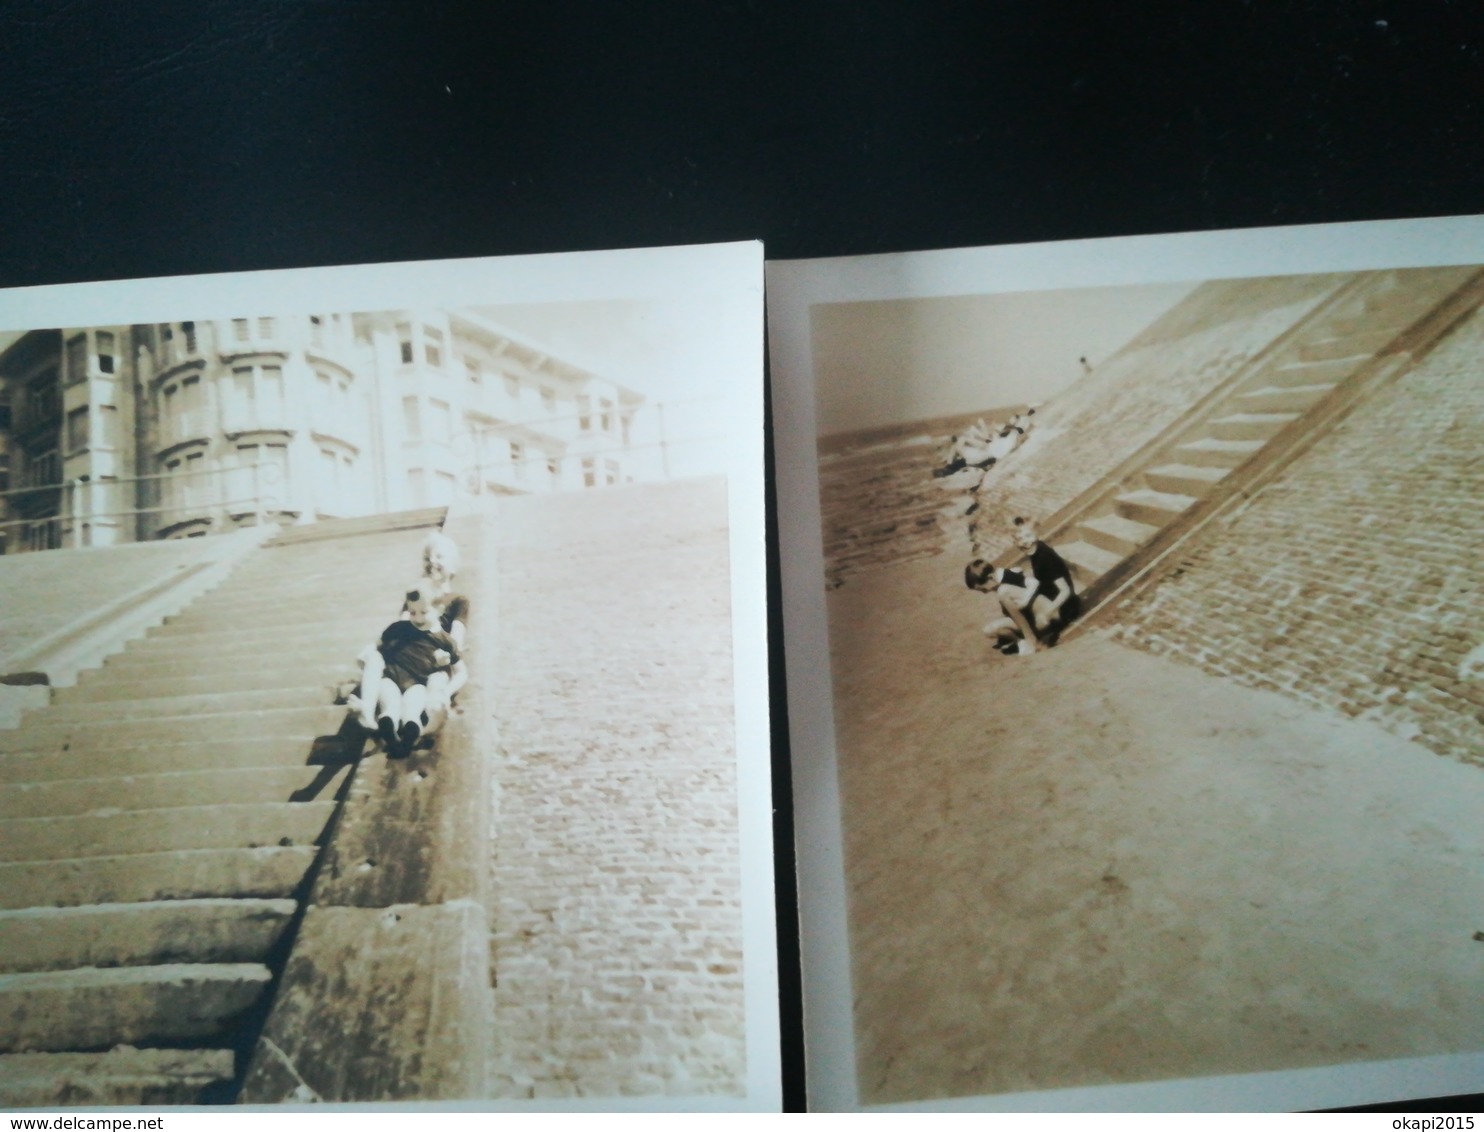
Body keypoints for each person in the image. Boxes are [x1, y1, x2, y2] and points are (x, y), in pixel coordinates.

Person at [347, 531, 469, 731]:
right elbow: (401, 628)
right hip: (405, 656)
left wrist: (446, 656)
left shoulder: (458, 600)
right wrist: (373, 649)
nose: (432, 562)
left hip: (434, 659)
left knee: (432, 687)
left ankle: (420, 725)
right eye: (427, 558)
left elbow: (457, 636)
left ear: (453, 563)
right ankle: (367, 713)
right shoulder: (417, 594)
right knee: (375, 659)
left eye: (439, 556)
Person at [367, 583, 467, 756]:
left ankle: (406, 736)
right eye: (412, 613)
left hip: (415, 684)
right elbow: (376, 647)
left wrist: (447, 692)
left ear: (438, 609)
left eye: (424, 612)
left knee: (410, 709)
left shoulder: (445, 641)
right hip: (393, 677)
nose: (418, 618)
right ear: (408, 610)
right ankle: (390, 727)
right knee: (391, 705)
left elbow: (461, 672)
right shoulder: (398, 628)